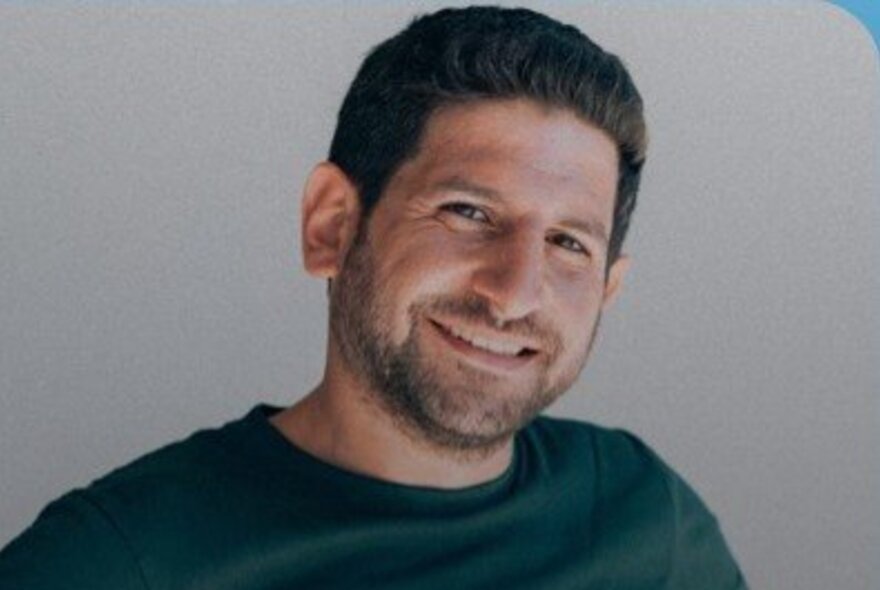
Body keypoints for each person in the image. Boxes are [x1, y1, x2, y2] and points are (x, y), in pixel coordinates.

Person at [0, 6, 748, 589]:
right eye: (468, 213)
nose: (515, 294)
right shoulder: (123, 563)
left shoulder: (648, 524)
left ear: (609, 288)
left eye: (568, 245)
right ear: (332, 225)